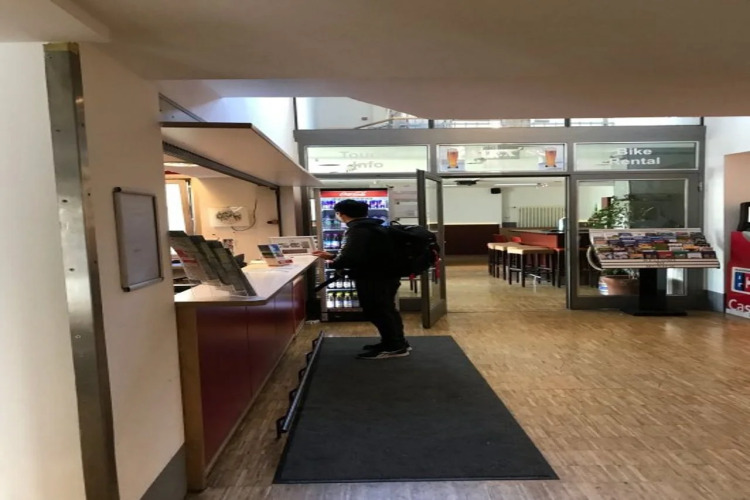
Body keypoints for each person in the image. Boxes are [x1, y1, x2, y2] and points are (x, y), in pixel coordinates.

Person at [313, 199, 410, 359]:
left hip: (373, 277)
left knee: (377, 311)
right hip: (387, 275)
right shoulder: (375, 227)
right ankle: (396, 342)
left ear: (341, 214)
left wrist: (334, 261)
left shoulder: (357, 230)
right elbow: (365, 253)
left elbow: (349, 258)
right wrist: (332, 256)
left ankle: (394, 347)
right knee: (387, 310)